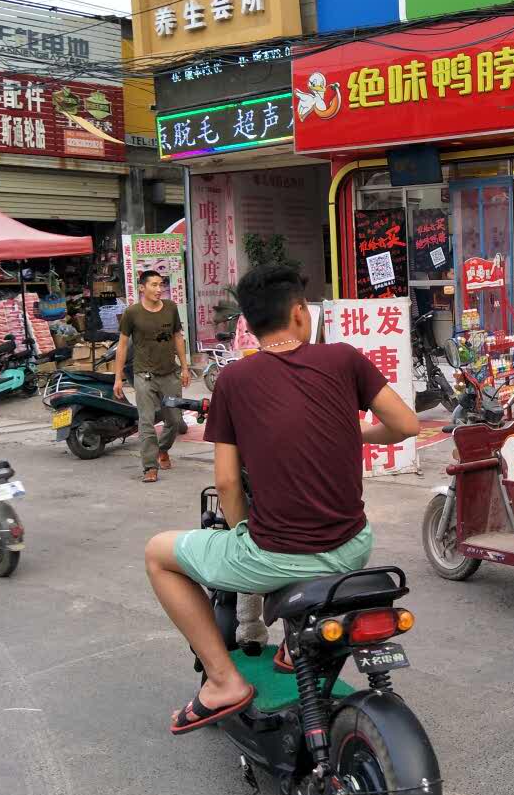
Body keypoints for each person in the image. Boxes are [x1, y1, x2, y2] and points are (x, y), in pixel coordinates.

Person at [144, 263, 420, 735]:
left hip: (280, 558)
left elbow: (229, 485)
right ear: (299, 313)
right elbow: (407, 425)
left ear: (249, 325)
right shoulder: (344, 359)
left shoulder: (234, 380)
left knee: (158, 554)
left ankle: (222, 681)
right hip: (355, 546)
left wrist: (241, 533)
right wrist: (359, 432)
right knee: (301, 545)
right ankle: (296, 647)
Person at [113, 270, 190, 484]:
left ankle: (162, 449)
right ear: (142, 288)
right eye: (154, 285)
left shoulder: (171, 309)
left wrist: (184, 367)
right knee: (146, 422)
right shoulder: (132, 313)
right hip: (143, 375)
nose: (159, 289)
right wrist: (118, 377)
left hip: (170, 374)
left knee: (174, 420)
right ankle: (149, 467)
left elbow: (178, 337)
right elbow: (121, 346)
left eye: (161, 285)